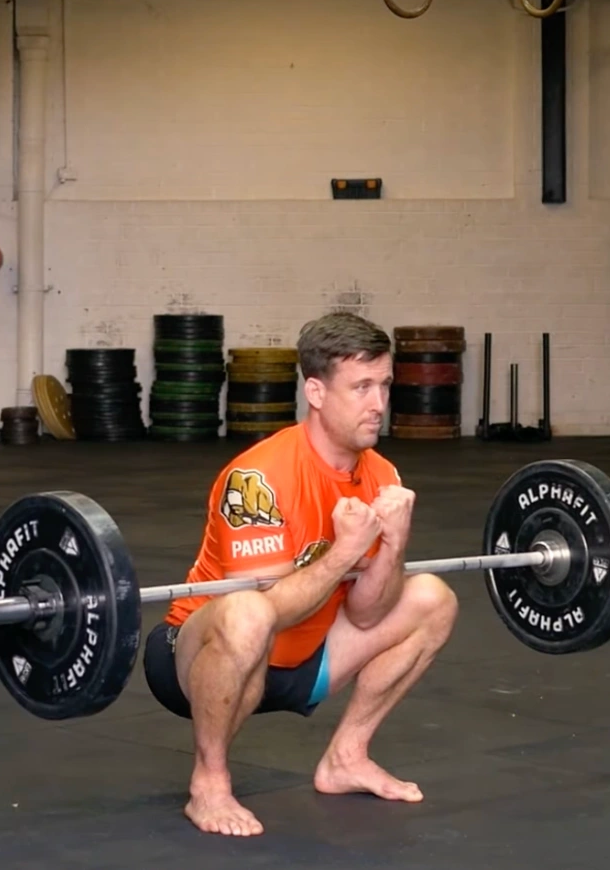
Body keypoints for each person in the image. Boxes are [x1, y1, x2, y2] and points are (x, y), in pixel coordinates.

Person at [141, 312, 460, 837]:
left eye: (383, 385)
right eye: (360, 387)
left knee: (432, 597)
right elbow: (268, 610)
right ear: (315, 391)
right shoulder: (257, 478)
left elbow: (367, 612)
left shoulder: (381, 474)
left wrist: (394, 543)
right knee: (247, 611)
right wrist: (343, 553)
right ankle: (209, 783)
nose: (378, 404)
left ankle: (347, 758)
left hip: (305, 662)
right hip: (199, 660)